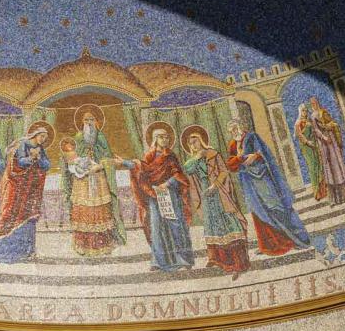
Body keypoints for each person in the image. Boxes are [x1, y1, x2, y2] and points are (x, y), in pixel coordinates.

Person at [116, 125, 194, 272]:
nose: (165, 139)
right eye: (161, 137)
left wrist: (167, 183)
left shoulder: (170, 156)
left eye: (167, 137)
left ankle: (183, 259)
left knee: (175, 225)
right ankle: (159, 261)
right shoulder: (149, 156)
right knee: (156, 227)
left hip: (170, 194)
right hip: (154, 195)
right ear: (155, 139)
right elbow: (141, 168)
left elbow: (179, 175)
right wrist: (124, 163)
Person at [226, 119, 310, 255]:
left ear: (240, 127)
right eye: (231, 131)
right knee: (257, 211)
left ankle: (296, 240)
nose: (234, 132)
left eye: (235, 129)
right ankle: (267, 246)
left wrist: (255, 156)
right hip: (248, 182)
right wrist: (238, 159)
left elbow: (263, 153)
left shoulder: (252, 137)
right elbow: (230, 164)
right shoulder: (233, 144)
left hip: (262, 178)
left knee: (276, 207)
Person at [182, 126, 250, 279]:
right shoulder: (191, 161)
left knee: (229, 223)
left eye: (195, 141)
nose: (193, 145)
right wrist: (196, 157)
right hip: (205, 195)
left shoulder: (213, 154)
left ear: (201, 141)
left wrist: (215, 185)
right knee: (212, 225)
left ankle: (238, 263)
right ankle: (218, 259)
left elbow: (224, 171)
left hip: (218, 192)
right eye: (190, 143)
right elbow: (188, 171)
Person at [0, 124, 52, 265]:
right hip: (16, 187)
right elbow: (18, 162)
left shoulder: (40, 148)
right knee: (8, 215)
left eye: (45, 137)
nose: (43, 139)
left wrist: (39, 158)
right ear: (35, 134)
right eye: (41, 136)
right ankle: (1, 255)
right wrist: (31, 158)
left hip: (30, 189)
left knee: (29, 217)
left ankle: (26, 252)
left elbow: (47, 165)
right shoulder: (23, 144)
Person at [61, 138, 121, 257]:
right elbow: (75, 170)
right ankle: (84, 246)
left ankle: (103, 246)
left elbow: (104, 160)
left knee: (99, 213)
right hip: (82, 187)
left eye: (72, 149)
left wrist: (99, 165)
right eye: (68, 151)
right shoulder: (75, 153)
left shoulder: (100, 143)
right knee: (85, 213)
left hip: (99, 185)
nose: (72, 153)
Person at [310, 97, 345, 205]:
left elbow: (332, 122)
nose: (315, 105)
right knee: (329, 169)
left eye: (316, 102)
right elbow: (316, 130)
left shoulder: (324, 112)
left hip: (332, 141)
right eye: (313, 103)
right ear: (311, 105)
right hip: (324, 144)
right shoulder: (313, 116)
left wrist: (331, 125)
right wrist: (324, 137)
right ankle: (334, 199)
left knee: (338, 166)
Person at [294, 103, 325, 201]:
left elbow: (315, 130)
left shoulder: (309, 120)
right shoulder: (298, 123)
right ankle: (316, 192)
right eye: (303, 111)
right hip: (307, 147)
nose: (305, 112)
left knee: (319, 165)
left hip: (314, 144)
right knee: (312, 167)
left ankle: (323, 190)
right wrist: (307, 142)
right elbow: (299, 135)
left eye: (306, 110)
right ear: (300, 112)